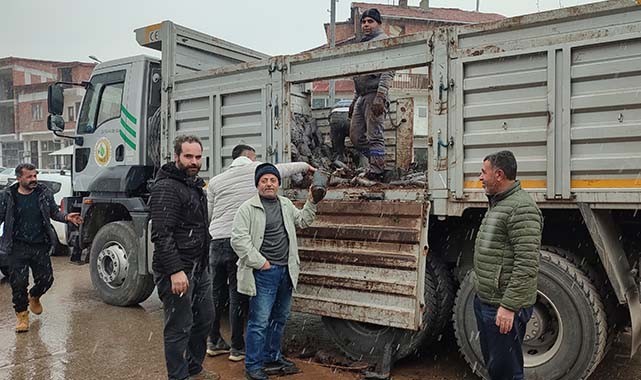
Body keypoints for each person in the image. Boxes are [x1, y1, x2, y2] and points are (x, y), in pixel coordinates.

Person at [206, 144, 316, 362]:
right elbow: (283, 169)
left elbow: (208, 213)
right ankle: (237, 348)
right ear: (249, 157)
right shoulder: (257, 171)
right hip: (240, 240)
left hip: (216, 241)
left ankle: (213, 340)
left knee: (216, 294)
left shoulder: (216, 181)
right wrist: (306, 166)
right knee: (237, 295)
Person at [231, 163, 322, 380]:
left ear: (278, 184)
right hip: (264, 273)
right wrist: (261, 262)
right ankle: (253, 366)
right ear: (258, 184)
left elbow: (303, 221)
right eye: (264, 181)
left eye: (272, 180)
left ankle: (272, 357)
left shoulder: (286, 204)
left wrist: (311, 202)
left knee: (279, 318)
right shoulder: (247, 208)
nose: (269, 184)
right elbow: (238, 240)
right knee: (259, 321)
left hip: (286, 271)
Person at [150, 135, 219, 380]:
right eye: (188, 156)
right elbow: (161, 234)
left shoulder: (194, 185)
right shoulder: (167, 187)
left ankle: (193, 368)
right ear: (176, 156)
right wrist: (175, 271)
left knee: (205, 319)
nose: (194, 161)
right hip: (178, 269)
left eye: (198, 157)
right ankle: (178, 376)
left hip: (199, 267)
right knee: (179, 326)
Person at [473, 150, 543, 380]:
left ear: (499, 174)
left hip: (501, 307)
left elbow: (527, 264)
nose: (480, 177)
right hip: (488, 301)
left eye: (484, 172)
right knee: (496, 367)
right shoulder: (500, 203)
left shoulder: (521, 208)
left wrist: (509, 306)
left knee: (507, 373)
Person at [0, 163, 82, 332]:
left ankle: (35, 296)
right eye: (29, 177)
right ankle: (22, 316)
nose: (33, 179)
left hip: (40, 244)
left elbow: (53, 212)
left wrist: (66, 217)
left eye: (35, 175)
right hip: (17, 246)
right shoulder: (8, 196)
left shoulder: (43, 193)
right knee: (19, 283)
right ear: (19, 178)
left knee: (46, 279)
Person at [348, 8, 394, 180]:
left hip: (374, 94)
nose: (366, 25)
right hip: (362, 95)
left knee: (375, 135)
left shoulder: (384, 42)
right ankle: (378, 162)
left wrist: (380, 97)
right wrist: (354, 100)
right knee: (355, 137)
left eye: (370, 21)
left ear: (378, 23)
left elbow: (388, 71)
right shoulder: (363, 44)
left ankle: (376, 170)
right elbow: (359, 75)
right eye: (364, 22)